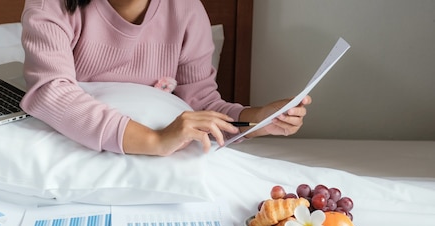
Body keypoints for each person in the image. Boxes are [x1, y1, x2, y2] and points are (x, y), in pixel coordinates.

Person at [20, 0, 312, 156]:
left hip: (160, 163)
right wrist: (155, 139)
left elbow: (202, 106)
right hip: (68, 153)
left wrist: (259, 119)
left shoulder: (186, 10)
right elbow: (52, 92)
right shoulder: (51, 5)